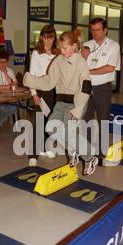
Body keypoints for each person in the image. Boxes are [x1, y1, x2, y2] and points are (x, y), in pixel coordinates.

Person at [23, 30, 98, 176]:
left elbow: (86, 87)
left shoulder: (80, 62)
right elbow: (49, 81)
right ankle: (74, 150)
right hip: (60, 101)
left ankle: (90, 157)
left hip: (74, 103)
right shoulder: (58, 61)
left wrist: (77, 110)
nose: (62, 52)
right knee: (51, 128)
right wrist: (30, 80)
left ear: (74, 46)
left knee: (69, 133)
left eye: (65, 48)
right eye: (61, 48)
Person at [82, 17, 120, 163]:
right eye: (92, 30)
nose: (95, 33)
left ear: (105, 30)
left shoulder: (113, 46)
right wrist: (82, 56)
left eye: (98, 30)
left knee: (103, 119)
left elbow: (109, 67)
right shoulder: (87, 45)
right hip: (86, 87)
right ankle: (87, 152)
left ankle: (102, 152)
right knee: (86, 120)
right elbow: (80, 66)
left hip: (103, 88)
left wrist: (89, 71)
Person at [28, 24, 58, 167]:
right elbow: (32, 75)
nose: (48, 41)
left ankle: (46, 147)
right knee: (39, 122)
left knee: (50, 122)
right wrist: (34, 94)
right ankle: (33, 154)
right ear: (41, 38)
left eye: (51, 37)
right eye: (46, 38)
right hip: (40, 90)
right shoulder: (36, 53)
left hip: (54, 91)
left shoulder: (57, 53)